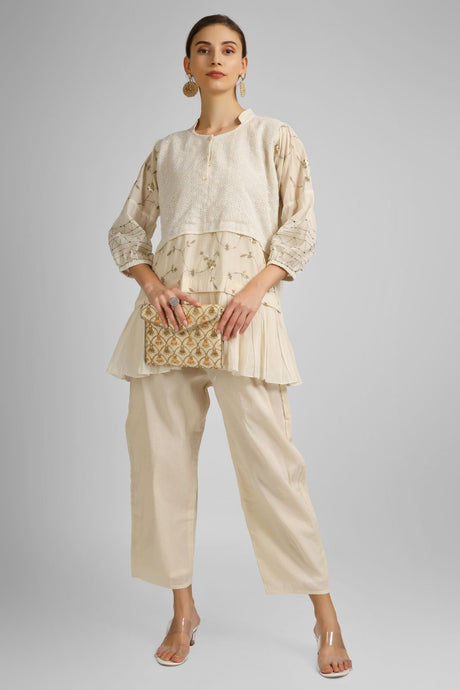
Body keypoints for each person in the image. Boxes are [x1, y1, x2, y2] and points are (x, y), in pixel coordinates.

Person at [106, 14, 353, 677]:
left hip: (243, 321)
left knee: (275, 471)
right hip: (169, 324)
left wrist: (257, 289)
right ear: (187, 65)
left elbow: (300, 226)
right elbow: (127, 231)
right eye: (203, 50)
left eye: (229, 49)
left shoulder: (275, 138)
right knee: (161, 469)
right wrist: (152, 285)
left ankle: (325, 616)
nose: (216, 58)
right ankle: (183, 610)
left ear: (245, 64)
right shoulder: (167, 151)